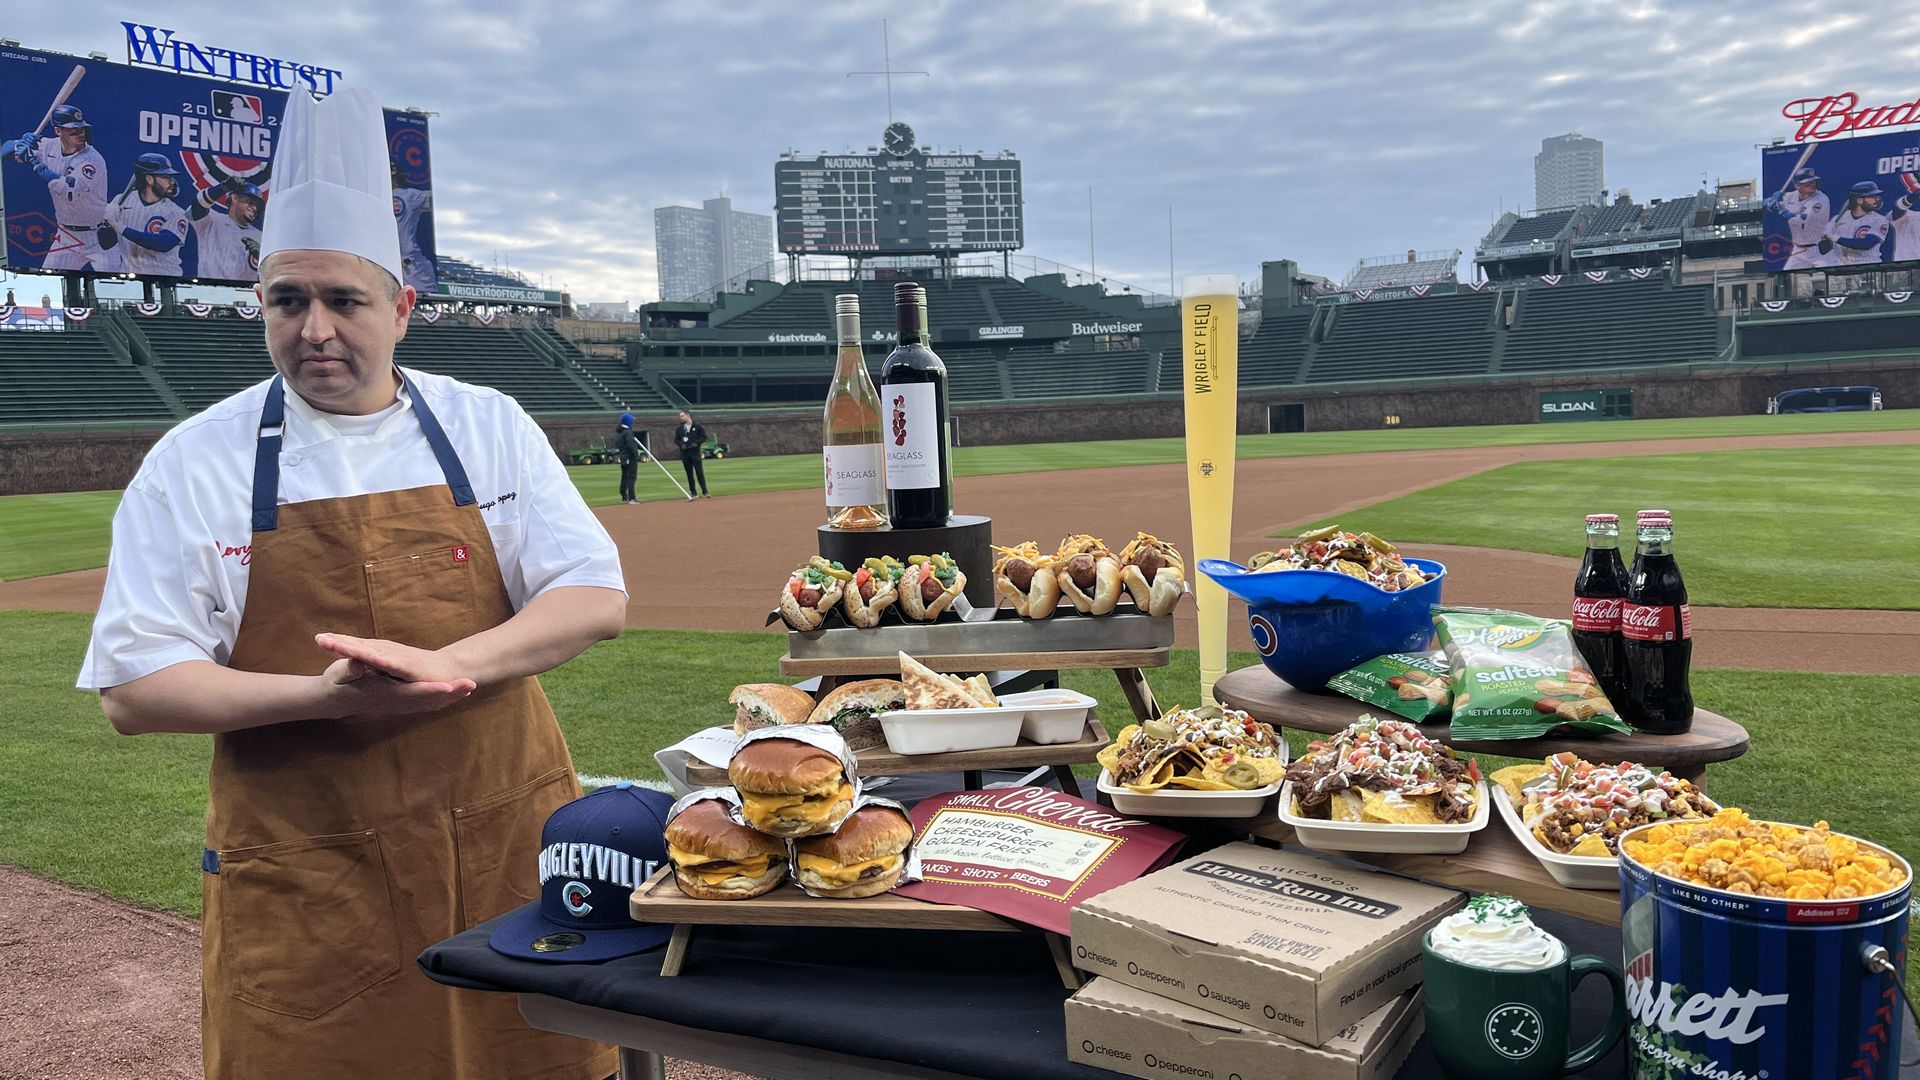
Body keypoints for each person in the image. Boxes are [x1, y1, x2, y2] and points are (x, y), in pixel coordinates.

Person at [76, 87, 621, 1080]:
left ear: (403, 309)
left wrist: (447, 667)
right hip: (307, 869)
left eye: (344, 300)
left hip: (502, 841)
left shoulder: (486, 421)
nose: (316, 329)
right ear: (262, 307)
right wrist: (319, 697)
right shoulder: (198, 460)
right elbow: (134, 685)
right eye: (289, 300)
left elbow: (592, 593)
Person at [5, 105, 114, 272]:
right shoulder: (48, 146)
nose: (80, 134)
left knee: (112, 281)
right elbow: (4, 151)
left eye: (82, 129)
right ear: (58, 131)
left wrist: (35, 163)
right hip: (67, 235)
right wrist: (19, 144)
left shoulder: (92, 159)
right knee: (44, 279)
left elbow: (69, 190)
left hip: (98, 235)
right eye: (73, 131)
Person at [100, 153, 191, 277]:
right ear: (149, 179)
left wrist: (119, 227)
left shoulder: (176, 212)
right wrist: (107, 225)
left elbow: (164, 244)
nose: (172, 182)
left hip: (166, 278)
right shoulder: (122, 200)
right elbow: (105, 244)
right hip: (129, 279)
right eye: (165, 176)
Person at [191, 177, 266, 282]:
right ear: (235, 198)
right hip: (207, 288)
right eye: (249, 202)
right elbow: (197, 206)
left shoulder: (261, 236)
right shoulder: (212, 220)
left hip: (246, 291)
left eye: (257, 206)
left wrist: (264, 259)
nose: (254, 208)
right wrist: (223, 188)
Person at [1768, 168, 1831, 271]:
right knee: (1786, 272)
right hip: (1798, 250)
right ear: (1797, 186)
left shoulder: (1821, 199)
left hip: (1819, 250)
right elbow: (1766, 204)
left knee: (1832, 275)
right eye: (1807, 183)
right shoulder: (1791, 196)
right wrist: (1772, 200)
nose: (1812, 185)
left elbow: (1801, 223)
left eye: (1813, 181)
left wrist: (1780, 209)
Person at [1819, 181, 1890, 266]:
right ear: (1859, 200)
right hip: (1841, 268)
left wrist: (1836, 238)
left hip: (1868, 266)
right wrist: (1827, 239)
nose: (1877, 199)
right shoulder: (1837, 219)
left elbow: (1867, 244)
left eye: (1877, 196)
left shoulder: (1879, 219)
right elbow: (1823, 250)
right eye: (1872, 196)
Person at [392, 159, 437, 294]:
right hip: (385, 267)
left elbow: (436, 199)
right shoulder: (373, 197)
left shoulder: (407, 196)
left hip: (411, 267)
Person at [673, 408, 710, 499]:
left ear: (688, 415)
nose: (681, 418)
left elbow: (704, 437)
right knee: (689, 474)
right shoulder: (680, 429)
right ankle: (693, 492)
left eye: (682, 416)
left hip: (695, 453)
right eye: (680, 416)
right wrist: (681, 445)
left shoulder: (697, 427)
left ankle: (705, 491)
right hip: (685, 454)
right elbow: (676, 440)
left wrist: (696, 443)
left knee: (699, 472)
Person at [614, 411, 643, 504]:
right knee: (631, 477)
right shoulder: (628, 432)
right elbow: (631, 446)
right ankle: (632, 497)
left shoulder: (621, 432)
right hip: (629, 457)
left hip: (624, 457)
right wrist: (635, 455)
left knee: (625, 477)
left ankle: (624, 496)